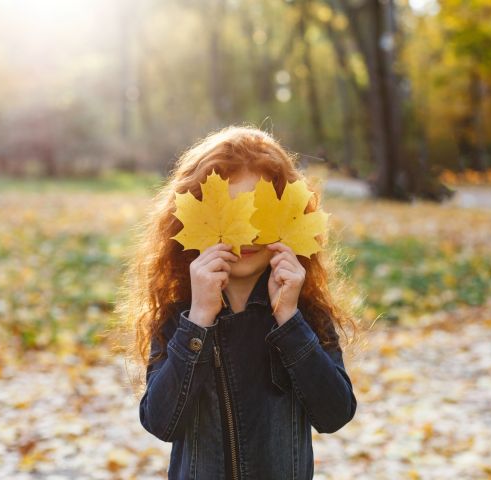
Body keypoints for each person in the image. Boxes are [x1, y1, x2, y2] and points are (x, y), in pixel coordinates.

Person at [118, 125, 358, 479]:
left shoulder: (303, 313)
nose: (245, 234)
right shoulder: (180, 315)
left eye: (260, 213)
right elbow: (160, 422)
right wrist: (198, 320)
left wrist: (290, 322)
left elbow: (334, 414)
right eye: (230, 213)